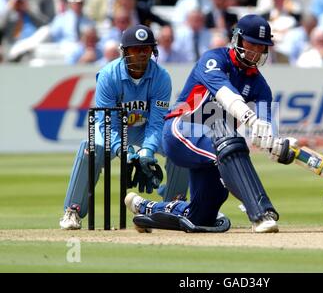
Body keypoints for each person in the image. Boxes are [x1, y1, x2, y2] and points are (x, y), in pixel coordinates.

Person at [124, 15, 297, 234]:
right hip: (182, 130)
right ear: (237, 39)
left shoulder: (260, 86)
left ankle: (145, 209)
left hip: (215, 146)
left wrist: (276, 146)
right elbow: (225, 93)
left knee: (202, 214)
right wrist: (250, 119)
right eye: (251, 44)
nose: (255, 52)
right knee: (230, 141)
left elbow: (267, 127)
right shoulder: (214, 59)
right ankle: (261, 213)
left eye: (261, 47)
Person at [59, 24, 180, 229]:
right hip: (114, 128)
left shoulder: (162, 77)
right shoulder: (108, 75)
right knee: (91, 146)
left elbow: (157, 121)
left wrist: (147, 150)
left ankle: (172, 208)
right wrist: (122, 151)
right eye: (135, 50)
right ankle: (73, 210)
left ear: (153, 51)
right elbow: (107, 122)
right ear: (124, 51)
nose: (141, 55)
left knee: (179, 144)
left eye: (146, 49)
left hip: (145, 130)